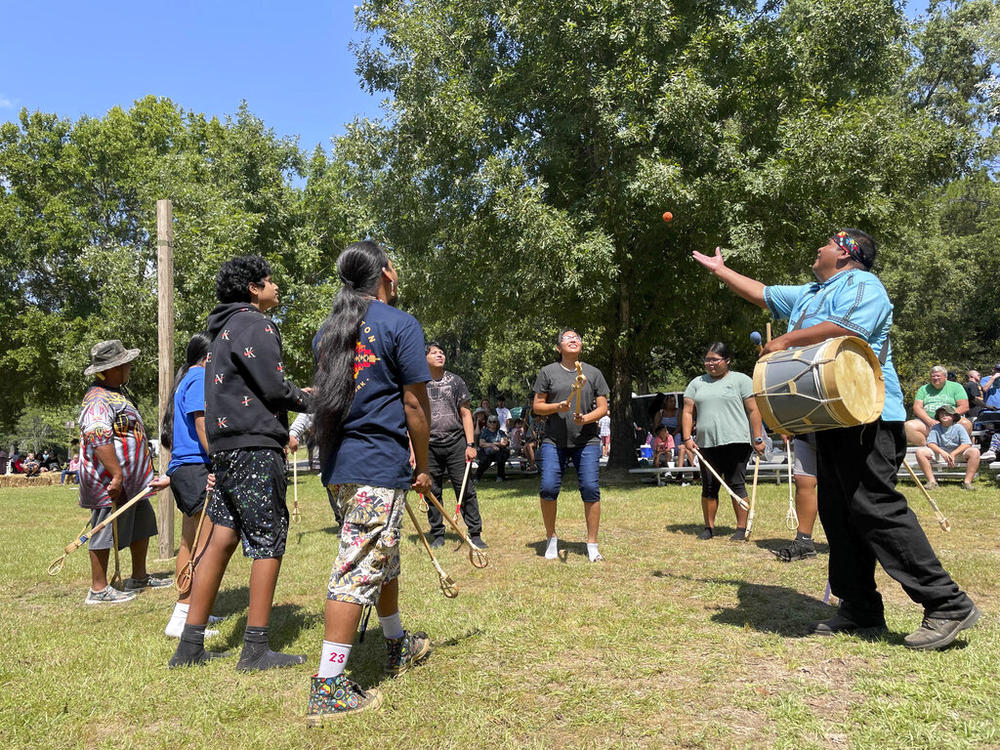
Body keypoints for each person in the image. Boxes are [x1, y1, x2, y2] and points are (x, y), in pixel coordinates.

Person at [692, 230, 979, 650]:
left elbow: (847, 328)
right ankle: (859, 606)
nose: (819, 248)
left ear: (844, 253)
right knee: (838, 511)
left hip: (868, 414)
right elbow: (763, 293)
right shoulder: (810, 292)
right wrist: (722, 271)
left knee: (874, 506)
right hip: (829, 419)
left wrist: (785, 340)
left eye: (826, 243)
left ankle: (947, 603)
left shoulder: (865, 285)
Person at [306, 240, 433, 723]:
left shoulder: (328, 330)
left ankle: (396, 644)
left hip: (340, 466)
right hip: (378, 464)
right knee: (357, 566)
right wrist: (422, 465)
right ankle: (330, 687)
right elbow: (416, 406)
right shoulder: (400, 324)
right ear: (386, 273)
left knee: (384, 556)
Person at [169, 255, 311, 671]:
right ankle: (255, 648)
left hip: (225, 450)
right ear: (253, 287)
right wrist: (315, 401)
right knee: (268, 538)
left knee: (222, 539)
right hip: (255, 448)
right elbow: (273, 386)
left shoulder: (221, 332)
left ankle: (189, 645)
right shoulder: (256, 324)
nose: (276, 286)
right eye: (270, 280)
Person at [77, 340, 171, 604]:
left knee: (143, 523)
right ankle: (98, 589)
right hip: (110, 481)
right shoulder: (97, 399)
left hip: (134, 482)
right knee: (104, 529)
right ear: (111, 369)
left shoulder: (116, 394)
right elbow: (99, 437)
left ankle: (139, 576)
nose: (129, 367)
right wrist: (116, 475)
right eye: (124, 364)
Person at [161, 332, 223, 638]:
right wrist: (219, 458)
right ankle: (184, 616)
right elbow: (201, 423)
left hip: (184, 469)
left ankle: (189, 611)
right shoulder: (199, 378)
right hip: (197, 468)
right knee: (205, 544)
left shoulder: (187, 379)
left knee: (189, 542)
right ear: (209, 357)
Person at [533, 328, 609, 562]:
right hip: (554, 440)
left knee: (589, 488)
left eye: (577, 338)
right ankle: (551, 539)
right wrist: (558, 407)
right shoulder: (548, 372)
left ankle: (592, 544)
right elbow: (537, 407)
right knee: (548, 488)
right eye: (568, 338)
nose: (574, 340)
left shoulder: (593, 373)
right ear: (558, 348)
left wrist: (586, 418)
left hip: (586, 441)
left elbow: (603, 407)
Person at [681, 342, 765, 541]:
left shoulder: (741, 380)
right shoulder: (696, 383)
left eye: (715, 360)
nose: (710, 364)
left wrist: (758, 437)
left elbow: (754, 410)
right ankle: (709, 527)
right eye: (707, 360)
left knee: (736, 483)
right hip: (706, 444)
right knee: (709, 486)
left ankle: (741, 528)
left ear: (727, 361)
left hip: (736, 442)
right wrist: (686, 438)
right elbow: (687, 411)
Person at [424, 341, 486, 549]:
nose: (440, 355)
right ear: (425, 358)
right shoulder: (418, 382)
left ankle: (475, 533)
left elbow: (466, 413)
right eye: (434, 353)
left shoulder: (456, 381)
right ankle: (438, 534)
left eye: (442, 352)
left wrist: (470, 444)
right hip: (429, 445)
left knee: (466, 488)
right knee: (432, 491)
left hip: (456, 442)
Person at [915, 405, 980, 490]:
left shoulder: (959, 427)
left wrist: (953, 453)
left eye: (947, 414)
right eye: (941, 414)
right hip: (940, 454)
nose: (944, 416)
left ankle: (967, 482)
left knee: (975, 451)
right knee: (920, 451)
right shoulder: (935, 428)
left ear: (953, 416)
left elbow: (967, 444)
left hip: (957, 454)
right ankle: (932, 482)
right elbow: (931, 443)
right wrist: (942, 452)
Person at [904, 366, 972, 446]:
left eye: (938, 376)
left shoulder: (956, 387)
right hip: (929, 424)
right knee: (908, 426)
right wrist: (929, 421)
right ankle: (928, 448)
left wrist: (947, 418)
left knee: (966, 424)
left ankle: (958, 449)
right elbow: (917, 407)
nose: (935, 378)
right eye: (933, 376)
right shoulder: (923, 389)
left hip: (952, 422)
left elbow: (964, 406)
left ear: (945, 377)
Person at [475, 414, 510, 482]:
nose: (492, 423)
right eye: (490, 421)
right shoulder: (484, 432)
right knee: (485, 460)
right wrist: (492, 445)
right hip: (487, 451)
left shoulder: (501, 432)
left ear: (497, 423)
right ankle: (477, 477)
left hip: (498, 451)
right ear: (488, 422)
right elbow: (481, 444)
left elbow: (504, 443)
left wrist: (493, 444)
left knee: (500, 455)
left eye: (494, 421)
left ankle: (500, 476)